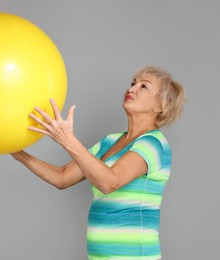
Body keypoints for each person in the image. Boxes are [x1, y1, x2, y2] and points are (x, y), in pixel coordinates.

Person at [11, 65, 186, 260]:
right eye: (133, 83)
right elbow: (62, 177)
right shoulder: (110, 141)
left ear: (161, 106)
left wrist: (67, 139)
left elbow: (109, 182)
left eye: (144, 86)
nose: (131, 89)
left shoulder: (153, 143)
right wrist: (18, 153)